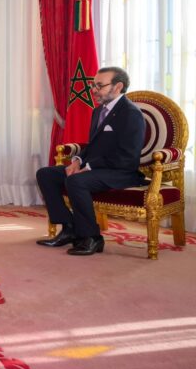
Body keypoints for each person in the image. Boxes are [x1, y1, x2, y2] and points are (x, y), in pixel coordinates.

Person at [36, 66, 146, 255]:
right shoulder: (98, 111)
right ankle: (69, 228)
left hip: (121, 172)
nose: (94, 90)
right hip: (97, 169)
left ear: (118, 86)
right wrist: (77, 160)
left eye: (99, 86)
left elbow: (127, 155)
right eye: (93, 85)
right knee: (46, 174)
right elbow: (93, 146)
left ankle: (92, 237)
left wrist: (89, 166)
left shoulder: (131, 114)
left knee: (76, 181)